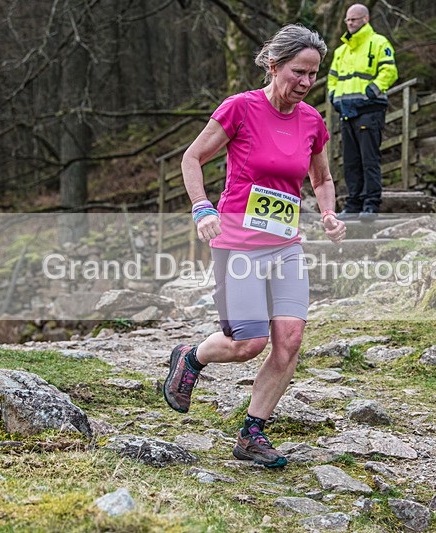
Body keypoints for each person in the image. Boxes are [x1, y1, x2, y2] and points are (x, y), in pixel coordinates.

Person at [163, 24, 346, 468]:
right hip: (238, 242)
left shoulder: (312, 121)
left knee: (290, 340)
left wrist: (327, 213)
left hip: (285, 244)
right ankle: (191, 357)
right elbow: (192, 158)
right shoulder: (240, 108)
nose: (305, 83)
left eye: (313, 75)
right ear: (273, 65)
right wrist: (202, 207)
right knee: (249, 342)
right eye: (298, 72)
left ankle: (252, 433)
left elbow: (321, 178)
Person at [328, 3, 398, 222]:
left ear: (365, 19)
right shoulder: (341, 51)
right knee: (350, 161)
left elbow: (390, 71)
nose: (350, 23)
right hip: (347, 111)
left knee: (369, 160)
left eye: (354, 19)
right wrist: (333, 97)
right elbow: (332, 78)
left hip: (370, 110)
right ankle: (353, 204)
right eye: (347, 20)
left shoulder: (378, 43)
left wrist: (370, 92)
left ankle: (370, 205)